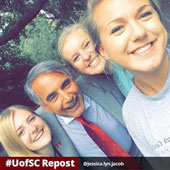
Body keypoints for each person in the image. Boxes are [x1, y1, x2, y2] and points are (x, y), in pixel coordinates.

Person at [86, 0, 170, 158]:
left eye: (145, 14)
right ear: (104, 51)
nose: (139, 32)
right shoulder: (132, 113)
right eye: (117, 28)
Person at [24, 60, 142, 158]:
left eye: (66, 84)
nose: (67, 98)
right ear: (46, 107)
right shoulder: (40, 124)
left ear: (73, 79)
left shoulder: (97, 79)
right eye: (53, 97)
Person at [58, 23, 133, 97]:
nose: (86, 56)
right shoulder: (108, 80)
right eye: (76, 58)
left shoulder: (130, 65)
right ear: (77, 69)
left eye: (86, 45)